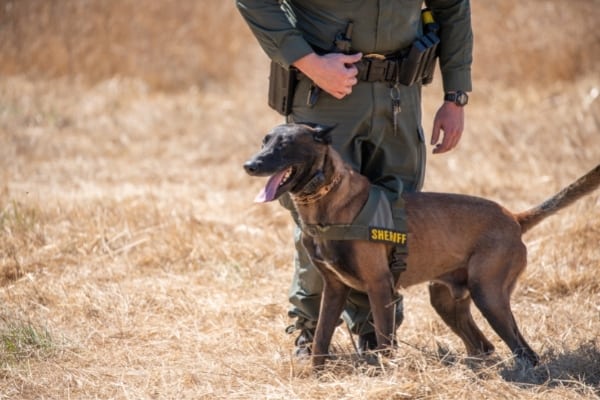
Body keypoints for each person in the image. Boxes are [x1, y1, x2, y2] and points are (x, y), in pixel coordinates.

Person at [236, 0, 473, 355]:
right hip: (327, 94)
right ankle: (312, 332)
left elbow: (452, 7)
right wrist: (309, 62)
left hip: (400, 96)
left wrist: (455, 96)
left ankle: (375, 336)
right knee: (323, 213)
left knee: (390, 218)